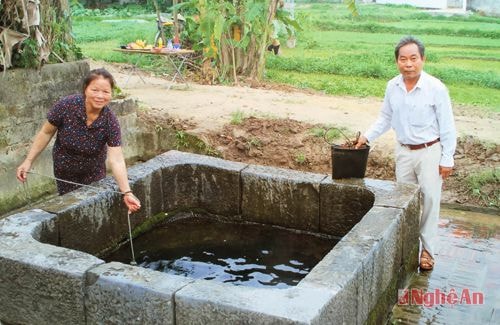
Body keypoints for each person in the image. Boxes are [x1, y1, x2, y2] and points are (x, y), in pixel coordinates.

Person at [355, 36, 456, 271]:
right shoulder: (393, 86)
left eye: (413, 58)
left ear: (423, 59)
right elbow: (385, 117)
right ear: (397, 62)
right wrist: (367, 136)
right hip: (403, 152)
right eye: (403, 59)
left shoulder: (436, 88)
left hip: (430, 151)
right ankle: (408, 245)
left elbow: (448, 125)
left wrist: (447, 158)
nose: (408, 64)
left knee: (430, 201)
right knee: (405, 201)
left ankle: (428, 251)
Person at [16, 68, 141, 213]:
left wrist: (127, 192)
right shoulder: (66, 106)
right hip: (65, 171)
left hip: (93, 173)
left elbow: (117, 159)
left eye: (106, 92)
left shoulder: (110, 121)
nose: (100, 96)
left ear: (111, 94)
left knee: (92, 209)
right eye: (95, 90)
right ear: (85, 89)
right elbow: (46, 132)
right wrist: (28, 161)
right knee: (70, 210)